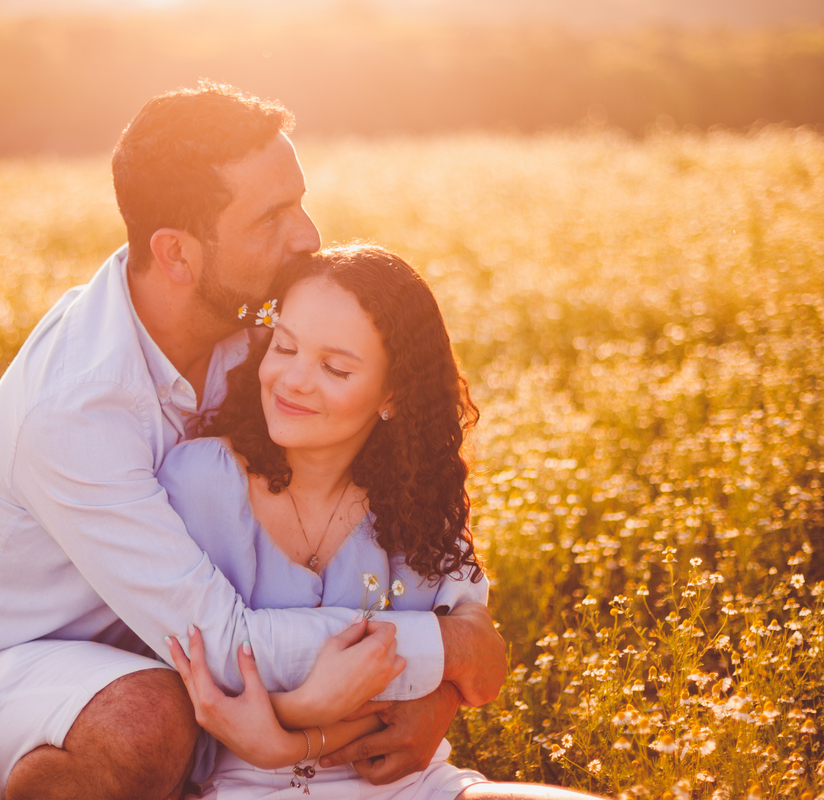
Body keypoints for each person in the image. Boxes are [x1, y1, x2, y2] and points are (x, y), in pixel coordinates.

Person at [0, 83, 506, 800]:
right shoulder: (72, 411)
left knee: (172, 699)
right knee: (147, 716)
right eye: (271, 217)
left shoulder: (265, 337)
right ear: (176, 254)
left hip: (169, 649)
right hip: (10, 666)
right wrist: (447, 650)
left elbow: (409, 479)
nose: (306, 234)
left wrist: (442, 681)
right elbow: (224, 645)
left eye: (299, 201)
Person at [162, 244, 602, 799]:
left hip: (412, 785)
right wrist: (302, 720)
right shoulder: (198, 481)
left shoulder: (417, 499)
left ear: (392, 395)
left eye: (335, 367)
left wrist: (437, 693)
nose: (292, 379)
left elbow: (483, 666)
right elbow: (183, 687)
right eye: (284, 345)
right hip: (245, 787)